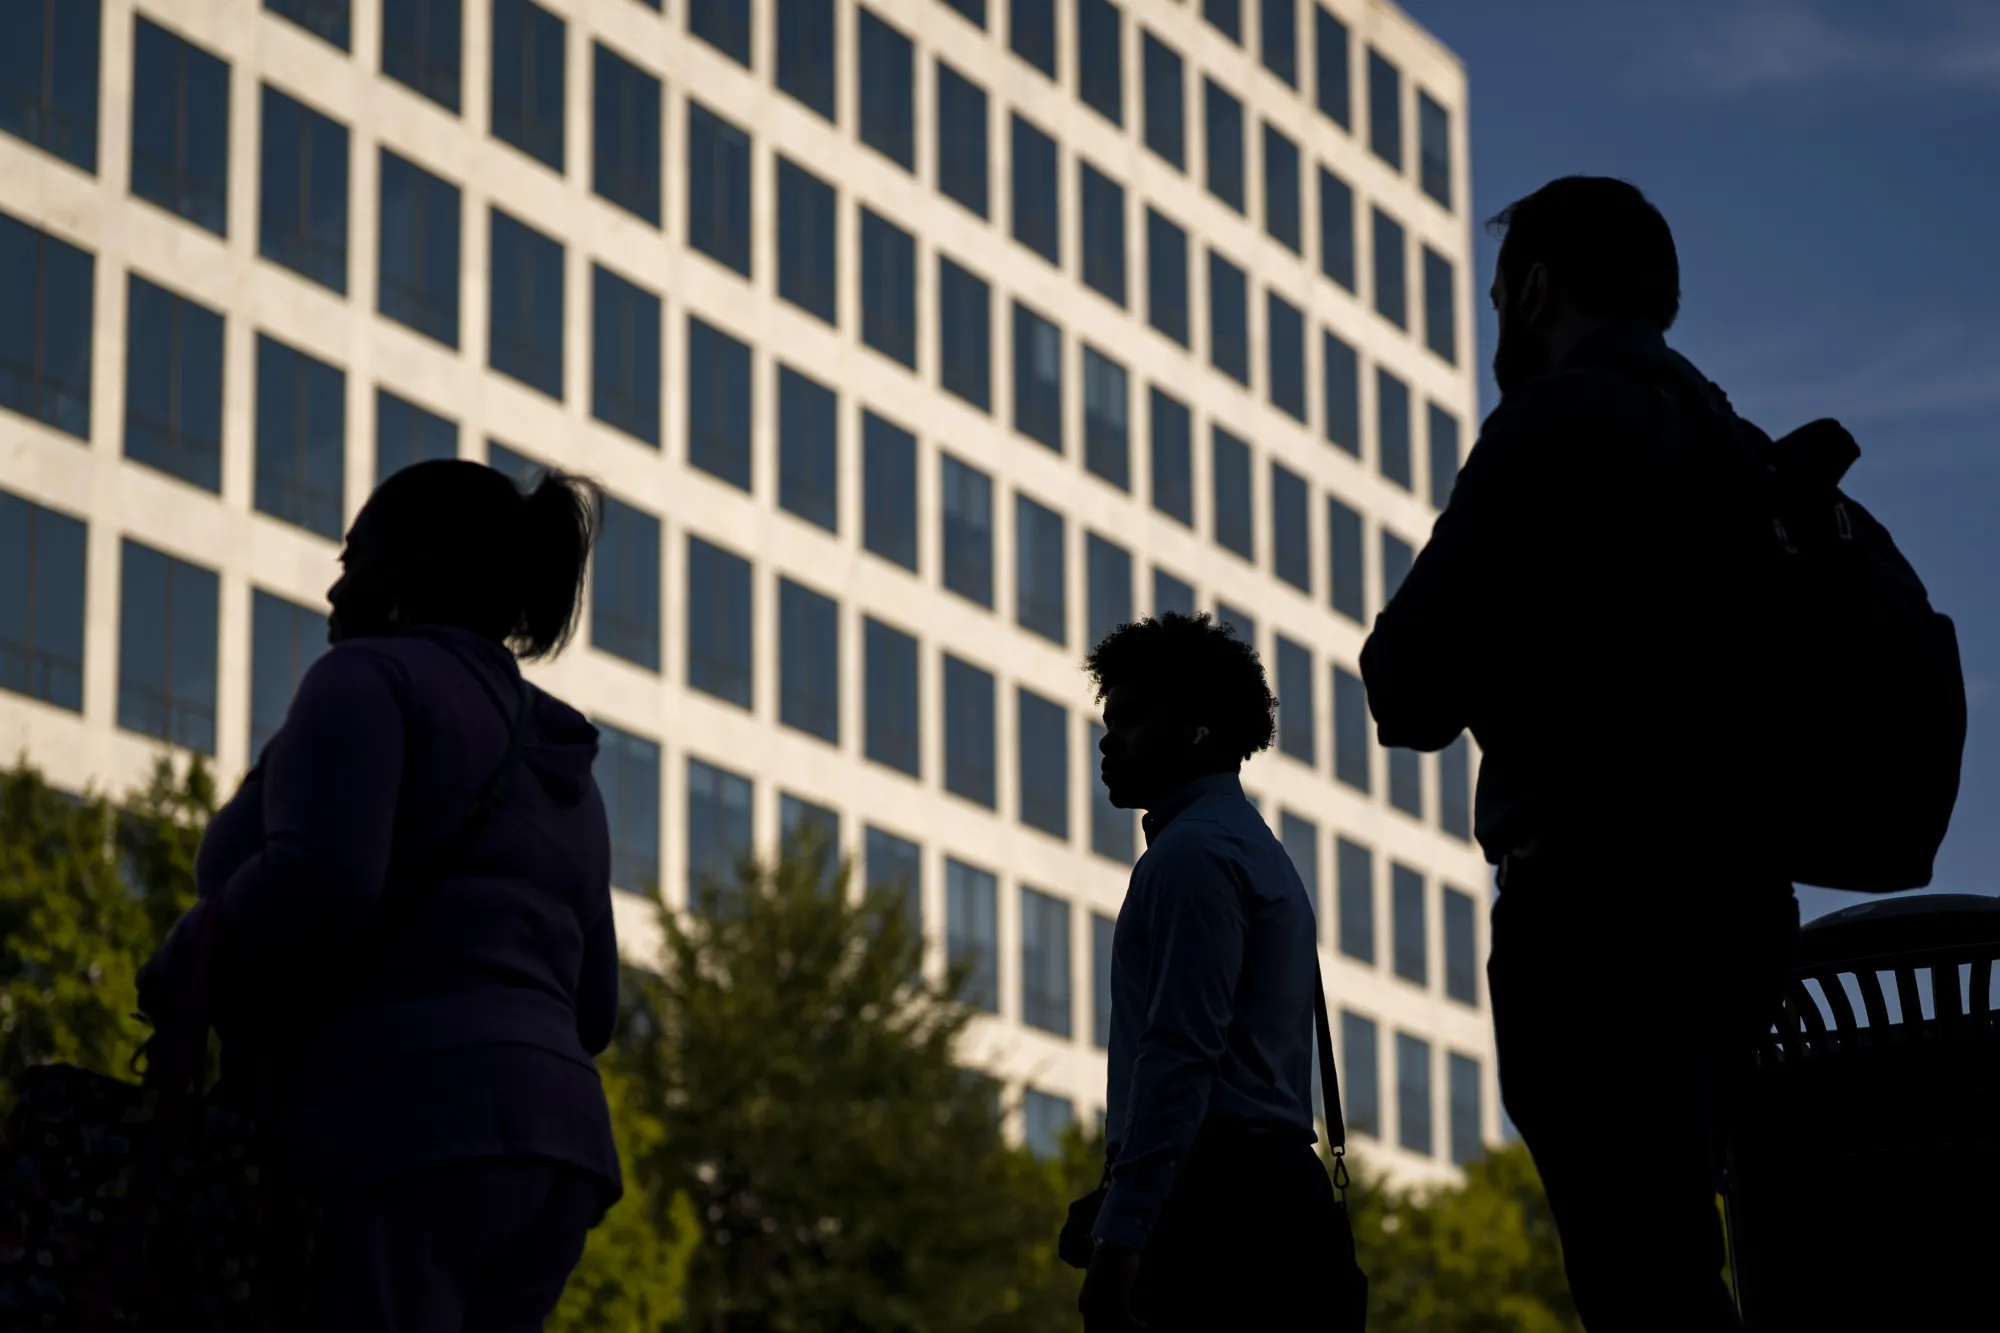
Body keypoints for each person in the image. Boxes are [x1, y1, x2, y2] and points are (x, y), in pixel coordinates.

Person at [1361, 177, 1801, 1331]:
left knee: (1637, 1276)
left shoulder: (1554, 421)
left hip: (1594, 914)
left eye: (1498, 296)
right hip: (1743, 908)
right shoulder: (1732, 444)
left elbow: (1403, 683)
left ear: (1535, 291)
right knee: (1699, 1257)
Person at [140, 458, 622, 1330]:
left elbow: (321, 881)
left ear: (411, 568)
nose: (334, 591)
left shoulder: (369, 681)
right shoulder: (568, 767)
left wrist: (184, 954)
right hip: (559, 1154)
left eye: (350, 560)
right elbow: (594, 1010)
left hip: (401, 1121)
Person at [1076, 611, 1341, 1333]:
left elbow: (1181, 1052)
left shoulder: (1193, 855)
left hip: (1216, 1209)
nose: (1108, 739)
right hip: (1272, 1193)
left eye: (1132, 717)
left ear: (1200, 729)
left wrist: (1121, 1237)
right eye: (1109, 719)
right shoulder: (1255, 849)